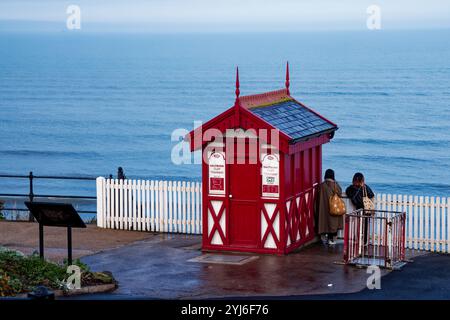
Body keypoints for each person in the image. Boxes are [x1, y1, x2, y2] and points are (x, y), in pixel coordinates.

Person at [315, 169, 344, 245]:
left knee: (325, 223)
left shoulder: (322, 186)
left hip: (324, 208)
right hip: (333, 207)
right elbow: (340, 193)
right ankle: (331, 240)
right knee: (333, 223)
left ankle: (325, 238)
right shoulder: (335, 185)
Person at [345, 172, 375, 244]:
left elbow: (347, 192)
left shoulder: (351, 188)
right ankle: (364, 241)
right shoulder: (365, 187)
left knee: (358, 225)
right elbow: (371, 195)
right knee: (365, 226)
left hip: (358, 208)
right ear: (362, 179)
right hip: (366, 208)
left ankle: (357, 239)